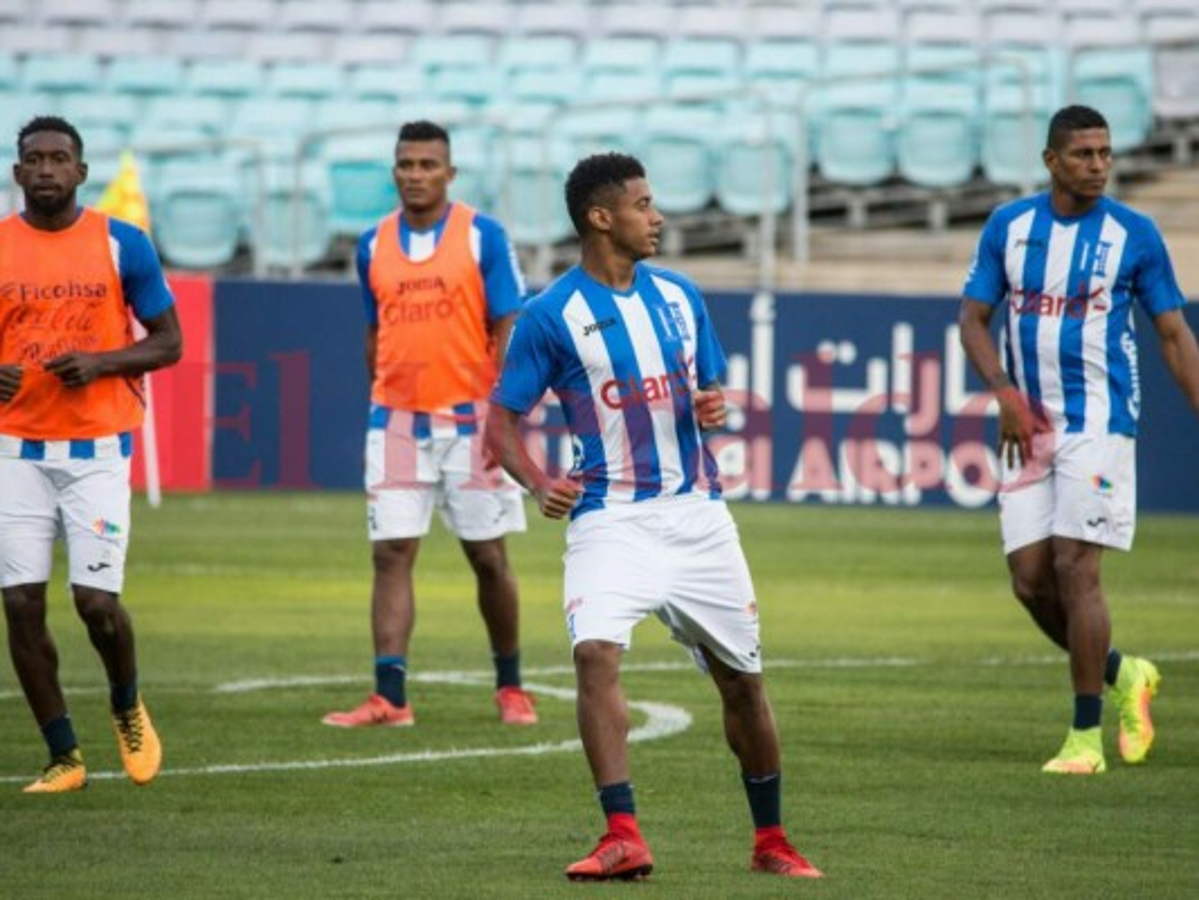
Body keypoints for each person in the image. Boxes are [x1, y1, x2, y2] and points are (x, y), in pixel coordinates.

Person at [485, 152, 823, 881]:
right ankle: (622, 832)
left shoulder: (678, 295)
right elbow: (500, 424)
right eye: (642, 204)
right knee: (594, 654)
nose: (657, 216)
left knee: (741, 681)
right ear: (600, 218)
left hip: (697, 517)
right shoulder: (551, 316)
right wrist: (538, 481)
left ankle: (770, 840)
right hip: (609, 519)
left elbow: (708, 393)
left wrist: (714, 407)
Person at [959, 105, 1199, 775]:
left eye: (1104, 153)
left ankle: (1084, 737)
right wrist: (1004, 392)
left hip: (1099, 420)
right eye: (1083, 154)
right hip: (1028, 425)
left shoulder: (1135, 235)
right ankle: (1125, 674)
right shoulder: (1010, 226)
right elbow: (972, 319)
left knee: (1075, 567)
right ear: (1050, 161)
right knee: (1029, 583)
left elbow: (1173, 335)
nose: (1097, 165)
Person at [323, 120, 537, 729]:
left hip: (472, 422)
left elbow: (507, 326)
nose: (415, 175)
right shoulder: (372, 244)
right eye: (406, 165)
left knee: (487, 558)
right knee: (391, 553)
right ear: (394, 171)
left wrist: (504, 416)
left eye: (427, 165)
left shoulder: (482, 237)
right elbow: (373, 330)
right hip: (394, 421)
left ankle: (511, 686)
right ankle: (390, 696)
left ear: (450, 172)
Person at [0, 116, 183, 792]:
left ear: (80, 171)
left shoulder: (121, 244)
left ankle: (126, 702)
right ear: (17, 174)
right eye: (34, 160)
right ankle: (62, 756)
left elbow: (169, 343)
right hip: (13, 450)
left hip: (98, 448)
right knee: (19, 604)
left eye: (60, 158)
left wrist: (103, 362)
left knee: (95, 604)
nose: (46, 169)